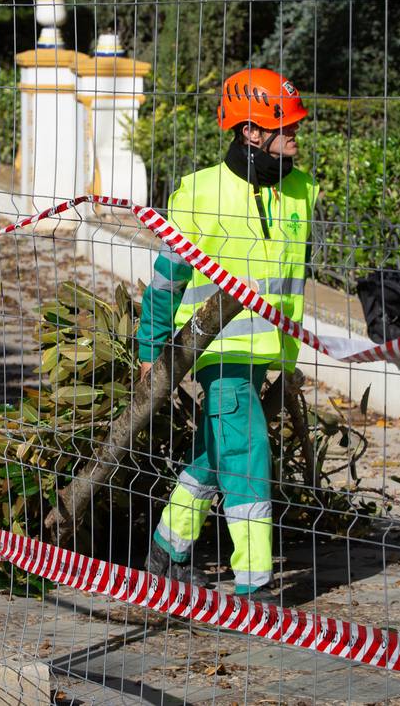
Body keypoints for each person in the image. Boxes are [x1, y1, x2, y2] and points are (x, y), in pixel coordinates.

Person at [137, 67, 317, 596]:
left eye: (295, 129)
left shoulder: (302, 191)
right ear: (250, 132)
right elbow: (167, 280)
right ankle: (254, 584)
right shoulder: (198, 193)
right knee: (248, 452)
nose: (294, 138)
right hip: (214, 351)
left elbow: (291, 283)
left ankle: (166, 549)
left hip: (265, 351)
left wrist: (286, 359)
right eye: (284, 129)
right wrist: (150, 347)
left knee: (219, 454)